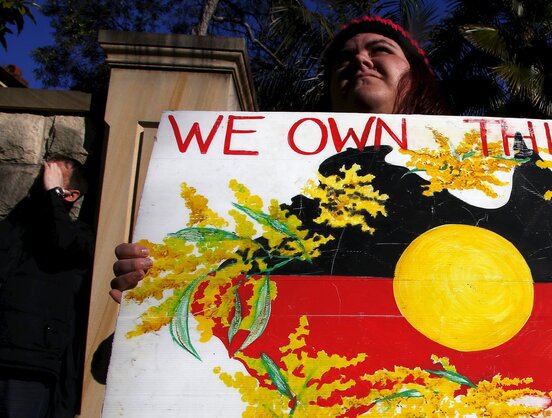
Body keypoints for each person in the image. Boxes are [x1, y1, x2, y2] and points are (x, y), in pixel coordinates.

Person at [109, 15, 448, 302]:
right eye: (344, 58)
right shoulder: (295, 184)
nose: (360, 60)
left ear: (416, 73)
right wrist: (158, 282)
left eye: (380, 50)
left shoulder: (473, 168)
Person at [0, 156, 95, 418]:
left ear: (71, 195)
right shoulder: (18, 227)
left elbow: (60, 243)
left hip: (30, 364)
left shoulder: (81, 237)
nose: (42, 183)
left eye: (52, 178)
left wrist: (53, 194)